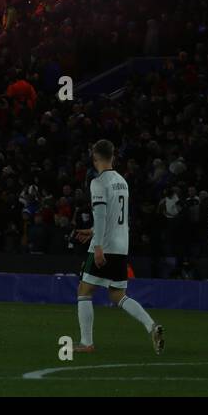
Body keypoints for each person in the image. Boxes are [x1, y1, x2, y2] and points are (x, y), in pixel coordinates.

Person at [72, 140, 164, 355]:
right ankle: (151, 325)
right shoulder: (122, 181)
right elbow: (115, 216)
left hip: (105, 245)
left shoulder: (98, 183)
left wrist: (98, 246)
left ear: (95, 158)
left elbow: (103, 215)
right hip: (122, 245)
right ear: (112, 157)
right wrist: (94, 231)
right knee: (117, 294)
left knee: (84, 291)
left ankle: (86, 343)